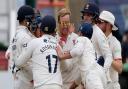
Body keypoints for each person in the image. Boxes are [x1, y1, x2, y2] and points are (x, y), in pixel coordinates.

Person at [15, 15, 62, 89]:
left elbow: (18, 63)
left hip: (41, 86)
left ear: (41, 28)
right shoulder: (57, 45)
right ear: (54, 30)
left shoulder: (34, 42)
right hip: (57, 85)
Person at [56, 22, 107, 89]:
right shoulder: (89, 46)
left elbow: (76, 51)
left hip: (92, 75)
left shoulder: (82, 39)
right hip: (100, 73)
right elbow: (79, 77)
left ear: (81, 33)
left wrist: (62, 56)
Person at [6, 5, 40, 89]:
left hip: (20, 78)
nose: (33, 21)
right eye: (32, 18)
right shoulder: (25, 37)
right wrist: (33, 78)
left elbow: (9, 54)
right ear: (26, 20)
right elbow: (25, 63)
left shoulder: (17, 35)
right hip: (26, 81)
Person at [81, 3, 113, 83]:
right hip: (88, 75)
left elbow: (109, 56)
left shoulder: (98, 33)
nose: (85, 17)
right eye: (84, 14)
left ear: (95, 17)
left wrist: (102, 71)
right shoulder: (85, 30)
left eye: (89, 15)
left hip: (98, 79)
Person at [56, 8, 80, 89]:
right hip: (60, 85)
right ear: (58, 23)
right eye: (63, 23)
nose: (65, 26)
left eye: (67, 23)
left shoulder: (77, 39)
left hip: (76, 85)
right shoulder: (53, 40)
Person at [100, 11, 123, 89]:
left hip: (112, 86)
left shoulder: (115, 43)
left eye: (100, 22)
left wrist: (108, 57)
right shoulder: (95, 39)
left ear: (109, 25)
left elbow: (120, 68)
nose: (97, 24)